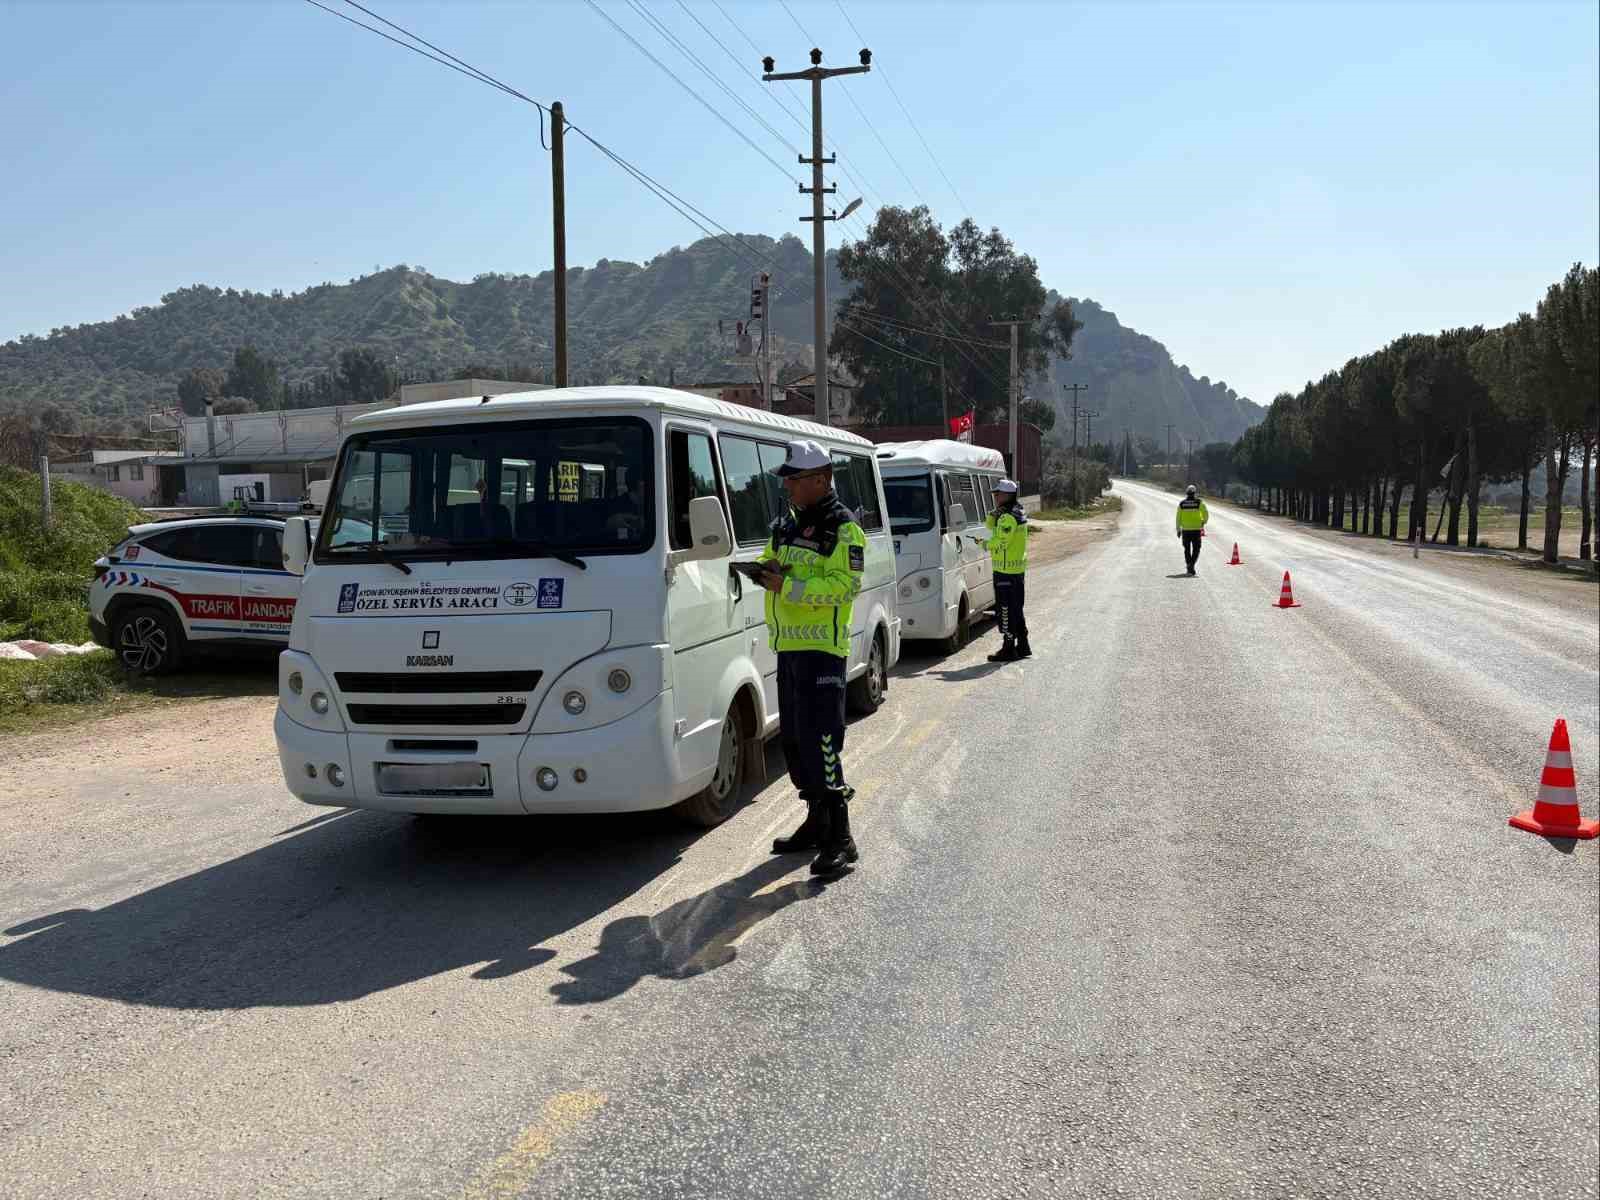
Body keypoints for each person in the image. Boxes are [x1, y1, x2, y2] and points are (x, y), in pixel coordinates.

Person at [755, 439, 867, 878]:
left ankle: (840, 837)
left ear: (821, 480)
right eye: (786, 480)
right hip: (788, 648)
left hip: (822, 651)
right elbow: (773, 559)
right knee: (795, 743)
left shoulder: (843, 528)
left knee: (822, 743)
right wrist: (762, 569)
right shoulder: (787, 523)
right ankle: (816, 821)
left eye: (794, 480)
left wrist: (789, 587)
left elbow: (845, 587)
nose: (787, 487)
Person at [985, 478, 1031, 662]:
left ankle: (1008, 648)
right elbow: (989, 525)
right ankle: (1023, 645)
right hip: (1016, 569)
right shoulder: (1017, 511)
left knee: (1005, 611)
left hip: (1005, 571)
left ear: (1006, 495)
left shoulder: (1007, 517)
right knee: (1016, 610)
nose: (995, 497)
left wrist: (985, 545)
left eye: (998, 494)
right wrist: (994, 512)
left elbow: (1002, 543)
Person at [1176, 484, 1209, 574]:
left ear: (1187, 493)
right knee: (1196, 549)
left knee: (1187, 549)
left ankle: (1189, 565)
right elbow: (1205, 513)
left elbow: (1178, 517)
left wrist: (1178, 530)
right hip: (1196, 529)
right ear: (1195, 493)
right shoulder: (1199, 502)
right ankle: (1191, 565)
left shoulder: (1182, 503)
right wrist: (1203, 521)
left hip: (1185, 530)